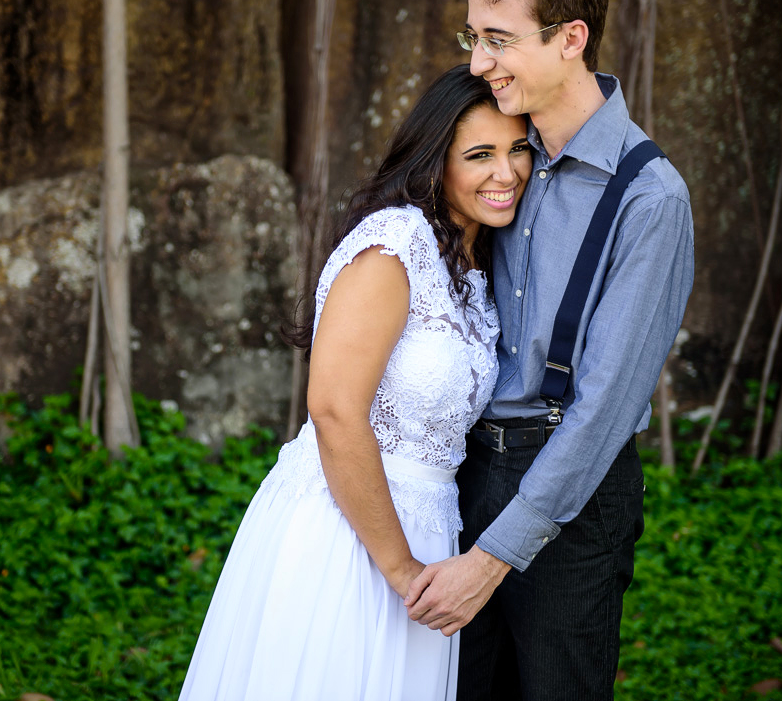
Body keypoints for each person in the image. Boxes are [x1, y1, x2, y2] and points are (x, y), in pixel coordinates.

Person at [403, 0, 695, 701]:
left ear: (571, 38)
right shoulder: (497, 153)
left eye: (499, 39)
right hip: (466, 473)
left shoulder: (649, 198)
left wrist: (491, 559)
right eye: (473, 35)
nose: (476, 61)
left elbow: (602, 411)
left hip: (577, 492)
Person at [178, 64, 532, 701]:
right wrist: (399, 568)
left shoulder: (478, 264)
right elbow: (336, 409)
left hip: (429, 530)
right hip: (345, 531)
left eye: (518, 150)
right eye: (480, 155)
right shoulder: (397, 243)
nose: (505, 174)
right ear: (434, 161)